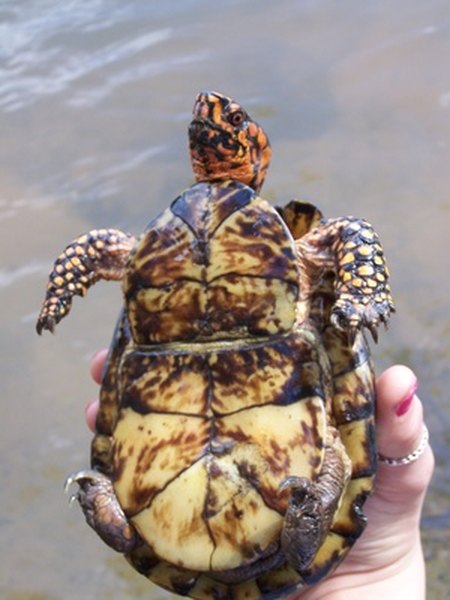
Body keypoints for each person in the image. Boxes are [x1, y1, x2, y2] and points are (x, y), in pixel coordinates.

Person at [86, 352, 434, 600]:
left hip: (165, 361)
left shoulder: (147, 539)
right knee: (321, 493)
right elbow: (337, 460)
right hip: (288, 355)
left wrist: (100, 496)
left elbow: (123, 533)